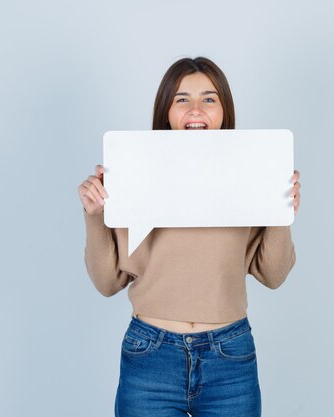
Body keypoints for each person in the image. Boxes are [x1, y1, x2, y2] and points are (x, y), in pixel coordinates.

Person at [78, 56, 301, 417]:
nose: (196, 109)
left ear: (224, 112)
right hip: (151, 353)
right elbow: (107, 282)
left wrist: (280, 208)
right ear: (166, 111)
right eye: (182, 99)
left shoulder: (251, 172)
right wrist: (95, 215)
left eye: (209, 99)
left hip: (229, 354)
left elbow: (273, 275)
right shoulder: (133, 172)